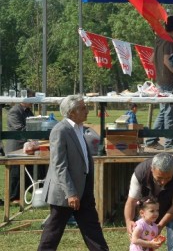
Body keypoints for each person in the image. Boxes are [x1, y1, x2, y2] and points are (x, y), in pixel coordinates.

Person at [37, 95, 109, 251]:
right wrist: (71, 193)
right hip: (65, 192)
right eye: (82, 108)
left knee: (92, 229)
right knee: (53, 232)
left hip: (83, 190)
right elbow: (59, 165)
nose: (87, 111)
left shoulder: (79, 128)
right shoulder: (60, 130)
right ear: (71, 112)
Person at [124, 153, 173, 251]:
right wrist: (129, 220)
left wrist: (159, 226)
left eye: (168, 178)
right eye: (159, 177)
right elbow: (131, 201)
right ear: (152, 169)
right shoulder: (140, 173)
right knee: (142, 240)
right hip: (149, 207)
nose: (163, 182)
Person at [146, 15, 173, 150]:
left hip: (159, 80)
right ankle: (170, 142)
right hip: (167, 80)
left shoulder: (159, 39)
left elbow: (151, 59)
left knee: (163, 111)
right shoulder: (169, 40)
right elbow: (167, 60)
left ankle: (151, 139)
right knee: (169, 112)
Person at [6, 97, 34, 203]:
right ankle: (13, 197)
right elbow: (19, 129)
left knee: (26, 172)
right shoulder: (14, 111)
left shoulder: (28, 111)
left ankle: (23, 194)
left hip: (26, 146)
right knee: (15, 174)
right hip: (15, 147)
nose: (33, 101)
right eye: (32, 98)